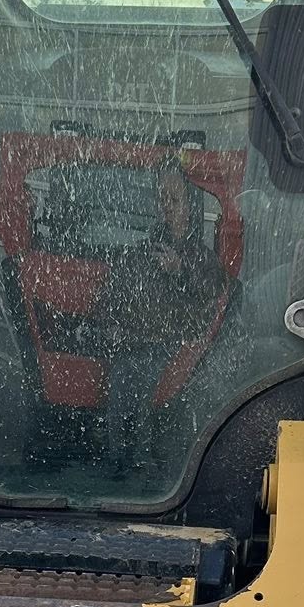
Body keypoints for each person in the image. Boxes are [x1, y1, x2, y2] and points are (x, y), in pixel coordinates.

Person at [99, 161, 227, 477]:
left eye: (175, 200)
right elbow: (110, 295)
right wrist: (109, 325)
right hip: (130, 341)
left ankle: (140, 458)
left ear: (190, 205)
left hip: (170, 345)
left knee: (139, 388)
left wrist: (179, 272)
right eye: (162, 200)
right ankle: (119, 460)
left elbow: (209, 296)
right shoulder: (141, 250)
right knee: (119, 390)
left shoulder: (200, 256)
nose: (167, 208)